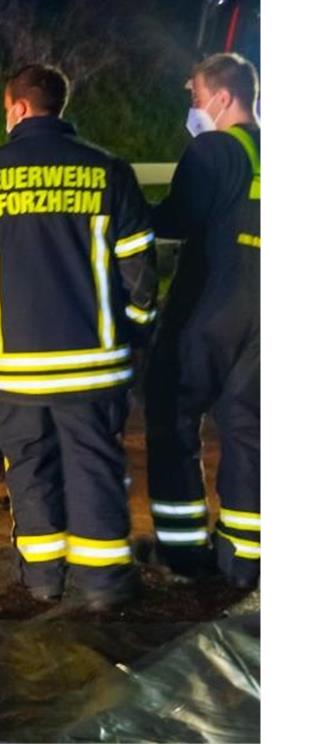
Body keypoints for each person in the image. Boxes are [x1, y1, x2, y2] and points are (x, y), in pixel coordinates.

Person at [0, 64, 157, 609]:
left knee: (29, 470)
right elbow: (140, 274)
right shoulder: (109, 172)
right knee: (94, 467)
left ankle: (43, 580)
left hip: (13, 369)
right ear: (59, 106)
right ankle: (102, 586)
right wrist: (137, 332)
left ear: (16, 109)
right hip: (94, 367)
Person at [144, 53, 260, 589]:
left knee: (171, 414)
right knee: (249, 429)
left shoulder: (214, 149)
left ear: (222, 98)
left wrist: (128, 210)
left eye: (194, 98)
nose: (192, 109)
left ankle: (184, 550)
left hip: (211, 307)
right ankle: (244, 559)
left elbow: (178, 218)